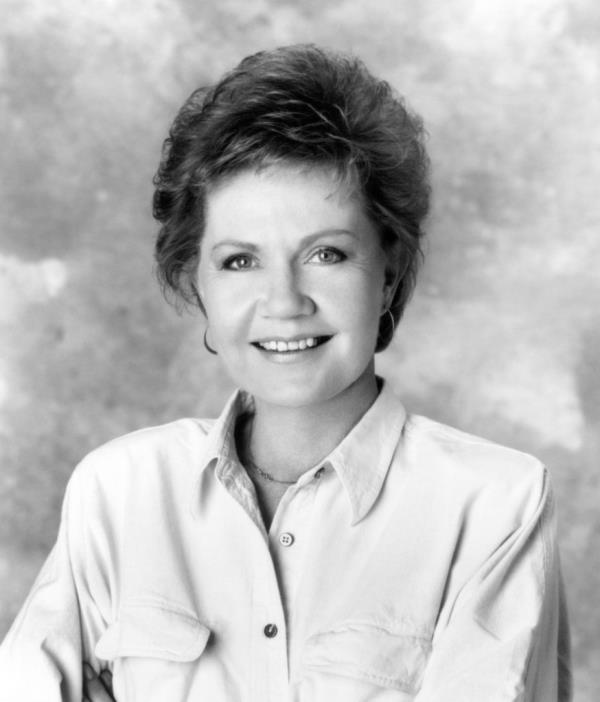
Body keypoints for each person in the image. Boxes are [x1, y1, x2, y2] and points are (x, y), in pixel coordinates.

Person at [0, 45, 571, 701]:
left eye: (326, 253)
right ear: (198, 284)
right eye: (241, 261)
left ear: (388, 271)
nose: (284, 301)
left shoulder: (497, 507)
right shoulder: (117, 493)